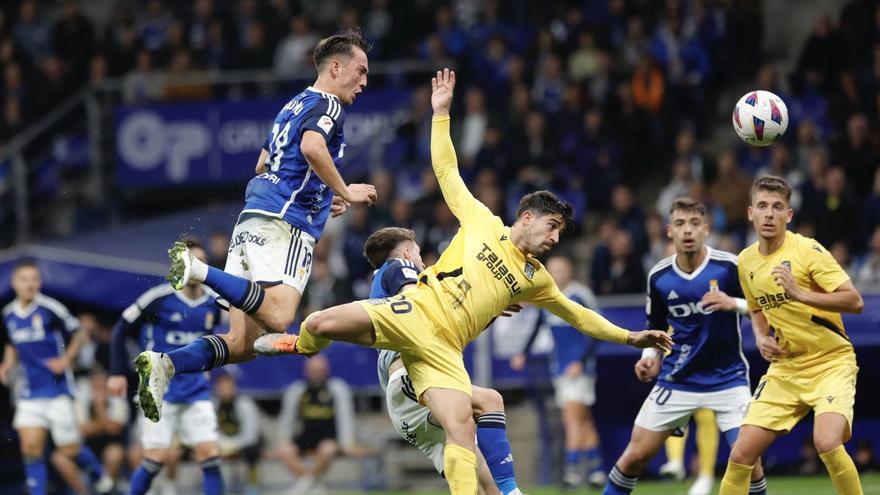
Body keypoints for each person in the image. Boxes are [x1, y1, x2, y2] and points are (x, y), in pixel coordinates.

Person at [253, 68, 672, 494]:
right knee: (319, 323)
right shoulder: (481, 221)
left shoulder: (536, 279)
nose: (555, 238)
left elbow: (579, 315)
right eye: (552, 226)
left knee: (462, 429)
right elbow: (446, 169)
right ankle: (296, 344)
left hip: (444, 351)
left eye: (560, 232)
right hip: (416, 312)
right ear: (526, 217)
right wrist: (440, 113)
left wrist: (629, 337)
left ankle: (507, 492)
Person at [134, 28, 378, 423]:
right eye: (361, 71)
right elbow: (312, 148)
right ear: (336, 67)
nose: (365, 81)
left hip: (255, 217)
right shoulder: (330, 107)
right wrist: (346, 191)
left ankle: (166, 365)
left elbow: (264, 164)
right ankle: (197, 269)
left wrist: (319, 194)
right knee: (280, 318)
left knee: (242, 343)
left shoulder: (292, 106)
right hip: (286, 225)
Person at [602, 197, 767, 495]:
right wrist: (649, 356)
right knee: (633, 458)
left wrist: (734, 303)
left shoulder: (728, 267)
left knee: (749, 462)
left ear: (706, 229)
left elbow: (761, 306)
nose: (687, 230)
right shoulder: (660, 277)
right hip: (678, 379)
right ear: (669, 231)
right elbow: (655, 325)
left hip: (727, 379)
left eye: (694, 224)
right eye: (680, 224)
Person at [719, 176, 865, 495]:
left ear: (789, 215)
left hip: (830, 363)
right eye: (762, 206)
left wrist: (801, 294)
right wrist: (760, 337)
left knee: (826, 441)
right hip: (787, 368)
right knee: (741, 454)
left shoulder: (808, 251)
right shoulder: (745, 261)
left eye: (777, 207)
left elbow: (854, 301)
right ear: (750, 213)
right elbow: (757, 307)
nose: (769, 214)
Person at [366, 226, 524, 495]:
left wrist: (487, 310)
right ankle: (513, 492)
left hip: (404, 400)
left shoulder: (383, 282)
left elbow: (448, 325)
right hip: (413, 381)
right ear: (406, 252)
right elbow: (419, 308)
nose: (422, 261)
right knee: (490, 401)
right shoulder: (400, 267)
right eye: (417, 253)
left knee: (474, 474)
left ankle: (505, 491)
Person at [108, 241, 224, 495]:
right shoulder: (159, 298)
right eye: (190, 261)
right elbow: (120, 329)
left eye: (200, 262)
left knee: (210, 455)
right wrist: (117, 372)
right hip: (158, 391)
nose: (195, 267)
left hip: (197, 391)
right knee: (156, 458)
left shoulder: (216, 303)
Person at [0, 259, 112, 495]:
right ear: (14, 283)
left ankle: (97, 473)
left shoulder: (50, 308)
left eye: (34, 279)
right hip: (30, 392)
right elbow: (12, 343)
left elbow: (79, 333)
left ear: (39, 282)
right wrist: (7, 364)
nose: (30, 284)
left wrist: (66, 360)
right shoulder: (8, 313)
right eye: (24, 279)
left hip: (57, 390)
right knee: (31, 448)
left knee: (69, 449)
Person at [510, 254, 606, 489]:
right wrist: (524, 352)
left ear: (570, 270)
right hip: (559, 369)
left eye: (561, 268)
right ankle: (597, 471)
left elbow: (598, 329)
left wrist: (581, 361)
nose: (556, 273)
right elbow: (537, 325)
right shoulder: (548, 296)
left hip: (579, 370)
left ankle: (572, 473)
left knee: (571, 420)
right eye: (552, 269)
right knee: (582, 420)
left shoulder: (580, 294)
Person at [275, 355, 357, 495]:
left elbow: (345, 417)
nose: (317, 374)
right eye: (314, 371)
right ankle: (313, 484)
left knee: (327, 449)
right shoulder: (298, 390)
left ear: (327, 370)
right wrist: (284, 440)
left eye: (320, 370)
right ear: (306, 371)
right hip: (305, 438)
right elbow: (287, 418)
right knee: (284, 450)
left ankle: (302, 487)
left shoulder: (336, 388)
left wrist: (346, 443)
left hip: (329, 439)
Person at [213, 372, 262, 495]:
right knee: (205, 450)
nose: (225, 391)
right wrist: (223, 445)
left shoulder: (245, 404)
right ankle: (215, 487)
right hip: (222, 443)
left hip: (242, 443)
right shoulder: (212, 405)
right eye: (222, 388)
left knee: (253, 449)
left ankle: (252, 486)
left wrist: (234, 446)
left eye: (229, 387)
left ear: (234, 388)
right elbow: (210, 430)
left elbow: (251, 432)